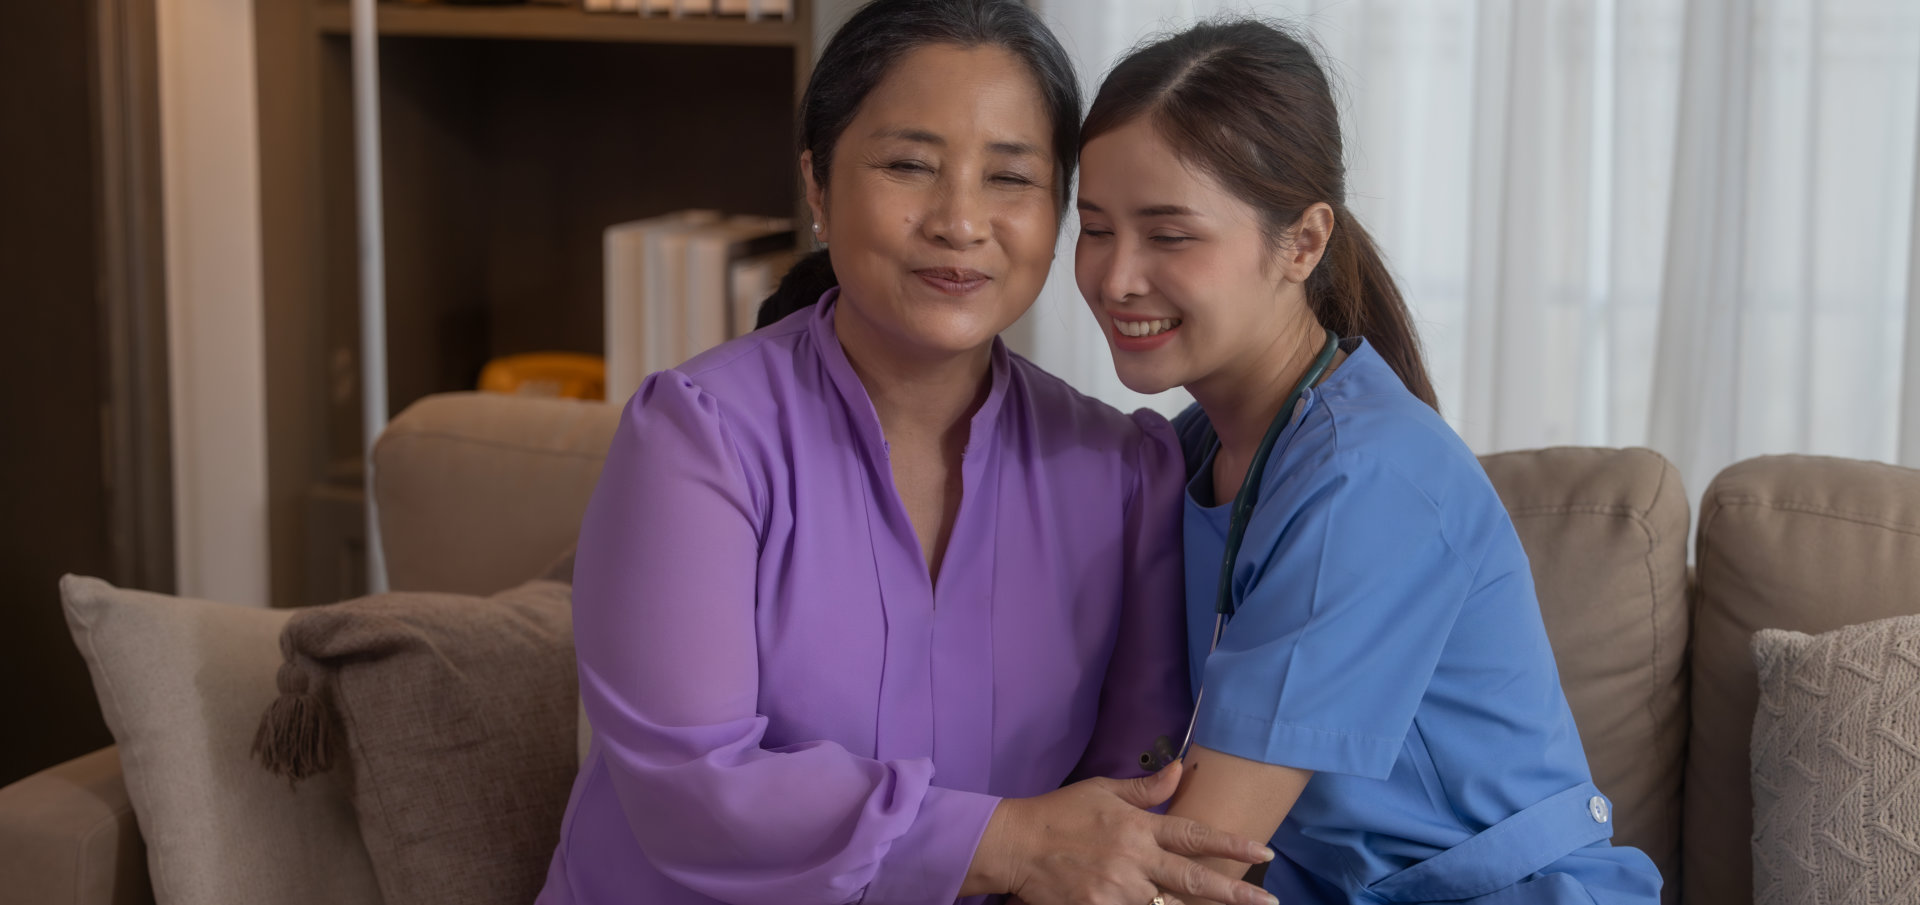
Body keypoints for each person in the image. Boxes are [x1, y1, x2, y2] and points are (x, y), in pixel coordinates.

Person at [534, 3, 1280, 904]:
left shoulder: (1123, 469)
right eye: (908, 166)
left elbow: (1125, 794)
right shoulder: (696, 438)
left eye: (1011, 177)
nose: (960, 222)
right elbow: (690, 787)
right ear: (817, 184)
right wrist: (1006, 841)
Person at [1072, 19, 1665, 905]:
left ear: (1303, 243)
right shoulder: (1199, 450)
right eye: (1093, 228)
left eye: (1169, 235)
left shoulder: (1368, 478)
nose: (1116, 277)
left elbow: (1195, 866)